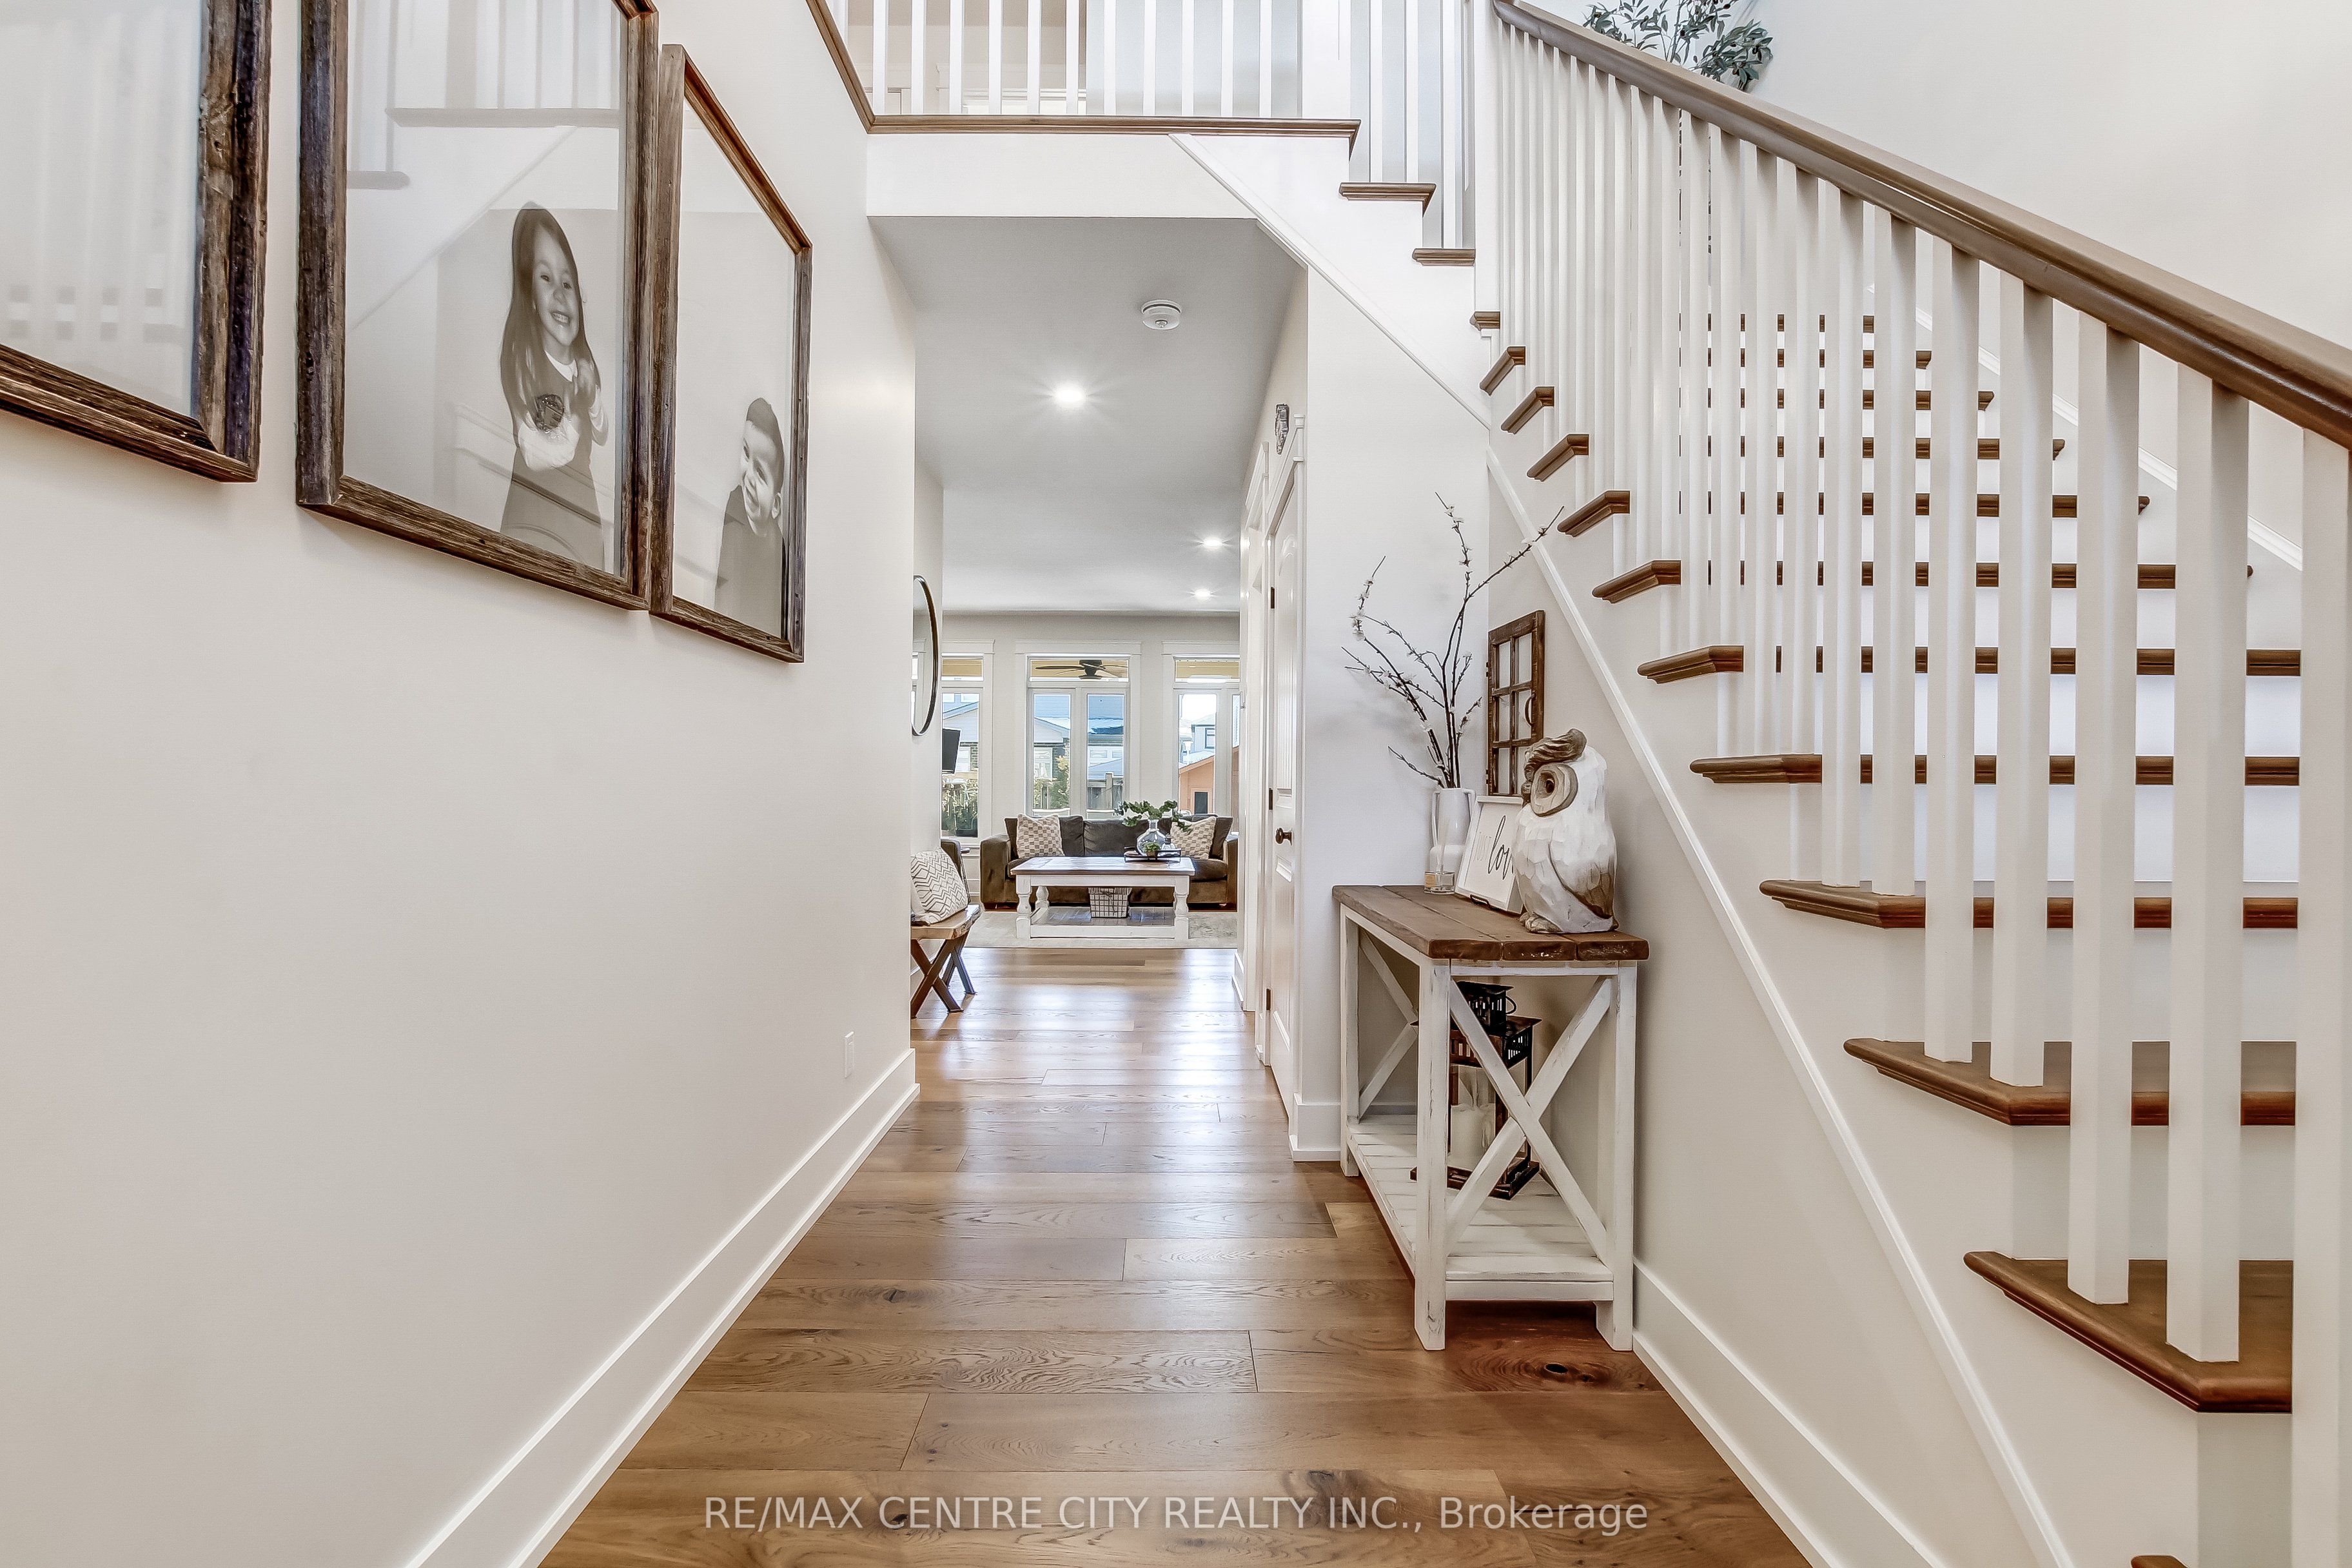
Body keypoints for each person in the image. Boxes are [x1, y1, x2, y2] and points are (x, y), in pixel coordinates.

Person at [498, 204, 609, 567]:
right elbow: (537, 454)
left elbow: (602, 432)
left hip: (580, 517)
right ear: (529, 294)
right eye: (546, 278)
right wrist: (575, 411)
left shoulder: (583, 366)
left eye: (568, 283)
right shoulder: (525, 361)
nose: (561, 295)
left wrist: (591, 399)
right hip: (536, 521)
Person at [712, 398, 789, 635]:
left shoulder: (777, 547)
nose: (749, 478)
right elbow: (726, 594)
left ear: (776, 506)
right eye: (746, 454)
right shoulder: (735, 508)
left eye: (761, 474)